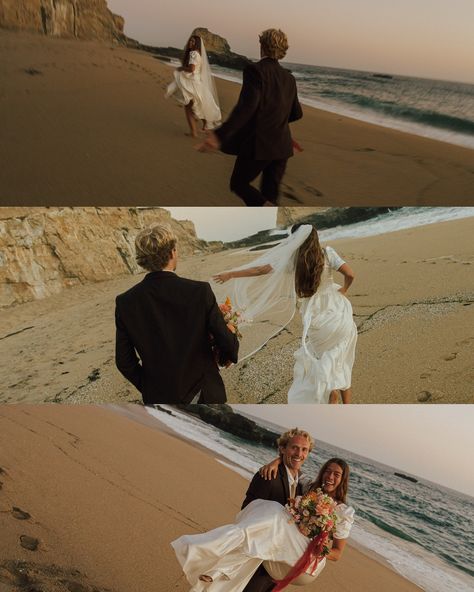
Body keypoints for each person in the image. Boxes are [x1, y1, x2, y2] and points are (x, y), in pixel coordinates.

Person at [213, 224, 357, 404]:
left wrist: (231, 274)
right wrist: (343, 290)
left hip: (315, 317)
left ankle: (331, 390)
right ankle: (341, 399)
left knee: (326, 358)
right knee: (342, 356)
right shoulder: (327, 253)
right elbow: (350, 274)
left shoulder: (293, 261)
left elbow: (260, 270)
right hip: (337, 312)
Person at [171, 454, 354, 592]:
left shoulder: (344, 512)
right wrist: (274, 462)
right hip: (286, 545)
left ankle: (215, 550)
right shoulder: (309, 488)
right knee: (257, 545)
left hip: (306, 558)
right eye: (328, 471)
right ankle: (217, 573)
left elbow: (337, 554)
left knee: (275, 513)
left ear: (343, 480)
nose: (330, 476)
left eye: (336, 474)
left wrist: (322, 548)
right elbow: (291, 464)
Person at [115, 224, 238, 404]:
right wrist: (230, 345)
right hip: (205, 393)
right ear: (173, 253)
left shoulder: (125, 302)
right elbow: (225, 340)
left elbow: (124, 362)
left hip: (159, 398)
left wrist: (150, 386)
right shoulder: (199, 291)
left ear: (142, 260)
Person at [198, 29, 303, 206]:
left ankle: (265, 207)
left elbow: (246, 108)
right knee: (270, 195)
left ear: (262, 46)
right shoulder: (289, 78)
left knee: (239, 184)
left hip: (260, 144)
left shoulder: (255, 71)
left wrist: (219, 136)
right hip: (282, 147)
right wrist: (279, 126)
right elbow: (296, 113)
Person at [166, 34, 221, 137]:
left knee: (189, 108)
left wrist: (181, 68)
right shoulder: (199, 54)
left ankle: (194, 132)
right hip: (197, 83)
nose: (190, 43)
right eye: (190, 41)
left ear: (197, 44)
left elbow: (191, 69)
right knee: (196, 106)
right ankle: (204, 126)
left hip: (192, 83)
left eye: (193, 42)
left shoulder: (193, 54)